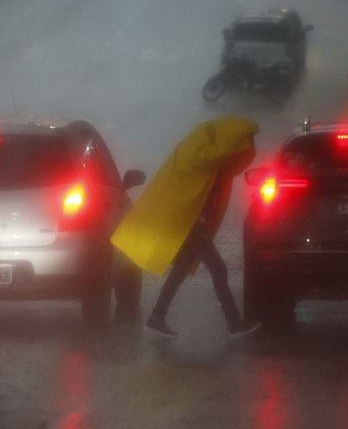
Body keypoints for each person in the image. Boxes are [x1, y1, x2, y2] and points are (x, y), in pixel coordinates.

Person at [111, 117, 260, 338]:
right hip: (191, 223)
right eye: (245, 139)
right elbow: (196, 188)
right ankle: (234, 323)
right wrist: (199, 218)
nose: (249, 143)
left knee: (180, 271)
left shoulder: (215, 164)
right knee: (219, 269)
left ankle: (156, 319)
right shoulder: (202, 156)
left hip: (194, 223)